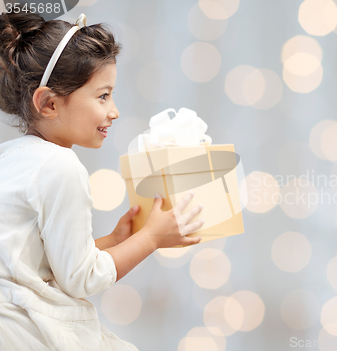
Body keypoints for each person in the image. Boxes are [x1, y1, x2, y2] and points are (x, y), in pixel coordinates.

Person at [0, 12, 204, 350]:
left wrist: (113, 239)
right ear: (49, 103)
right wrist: (151, 238)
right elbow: (80, 279)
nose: (114, 111)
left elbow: (42, 260)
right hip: (29, 329)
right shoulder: (60, 166)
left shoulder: (11, 155)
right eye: (103, 96)